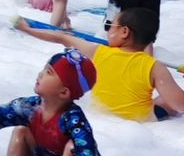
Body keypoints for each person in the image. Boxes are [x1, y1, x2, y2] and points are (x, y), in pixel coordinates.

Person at [14, 10, 184, 122]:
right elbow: (179, 105)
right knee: (165, 101)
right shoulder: (154, 67)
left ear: (124, 32)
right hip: (139, 127)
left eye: (110, 26)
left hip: (99, 120)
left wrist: (27, 29)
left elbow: (61, 37)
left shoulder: (98, 52)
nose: (108, 31)